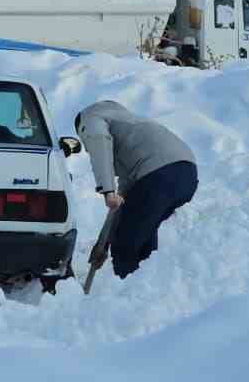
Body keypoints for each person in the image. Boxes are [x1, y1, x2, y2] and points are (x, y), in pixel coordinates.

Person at [75, 100, 198, 279]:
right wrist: (104, 243)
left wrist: (107, 191)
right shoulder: (132, 128)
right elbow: (124, 197)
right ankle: (147, 291)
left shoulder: (90, 117)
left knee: (126, 242)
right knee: (142, 233)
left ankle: (127, 298)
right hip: (186, 175)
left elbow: (99, 141)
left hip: (158, 176)